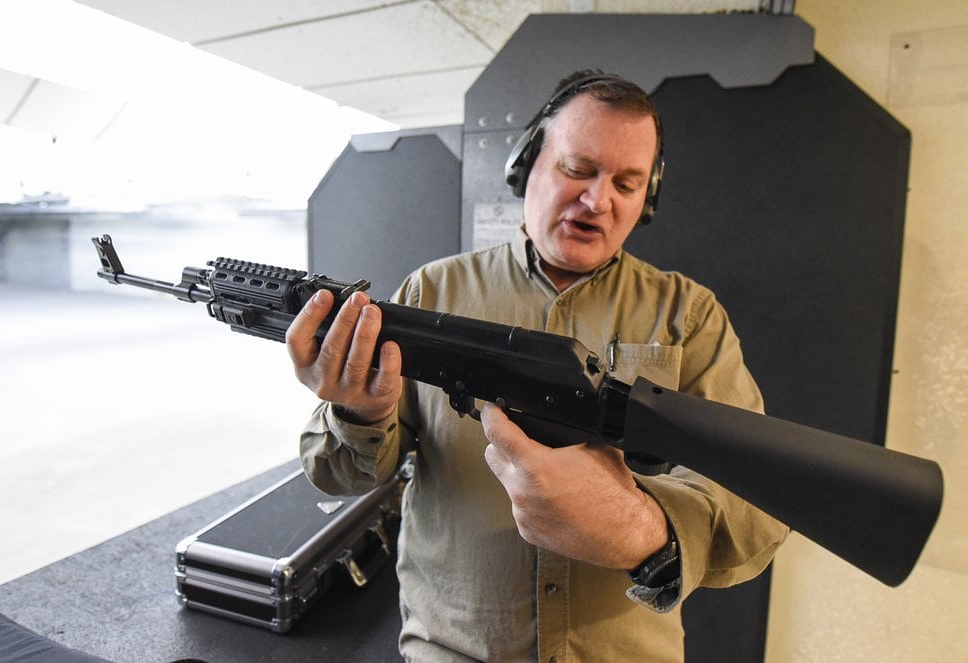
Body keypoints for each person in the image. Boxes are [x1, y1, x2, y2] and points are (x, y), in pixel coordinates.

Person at [286, 70, 788, 662]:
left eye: (627, 184)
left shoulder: (689, 315)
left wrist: (642, 528)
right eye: (577, 170)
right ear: (527, 166)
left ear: (645, 200)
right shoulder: (432, 291)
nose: (598, 200)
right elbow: (341, 475)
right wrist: (359, 411)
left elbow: (758, 495)